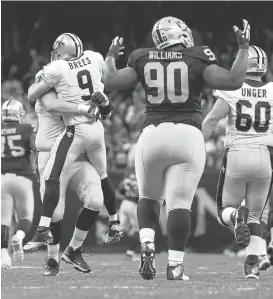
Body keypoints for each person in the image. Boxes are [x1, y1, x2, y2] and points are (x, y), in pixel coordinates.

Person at [103, 17, 251, 280]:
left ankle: (146, 244)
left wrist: (111, 55)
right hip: (187, 135)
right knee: (179, 204)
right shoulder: (198, 55)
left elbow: (110, 79)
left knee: (148, 198)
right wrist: (242, 48)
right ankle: (174, 266)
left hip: (152, 135)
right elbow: (233, 81)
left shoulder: (142, 56)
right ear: (180, 34)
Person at [27, 33, 124, 253]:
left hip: (75, 142)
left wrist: (86, 106)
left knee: (95, 198)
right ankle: (52, 259)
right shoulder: (92, 58)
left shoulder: (53, 71)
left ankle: (73, 250)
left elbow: (34, 94)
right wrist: (110, 55)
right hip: (58, 145)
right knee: (58, 212)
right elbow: (51, 103)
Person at [202, 45, 273, 279]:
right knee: (254, 216)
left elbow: (212, 118)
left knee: (226, 210)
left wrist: (196, 145)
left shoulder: (234, 88)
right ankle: (252, 265)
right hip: (265, 157)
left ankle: (235, 217)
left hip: (238, 153)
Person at [1, 99, 36, 269]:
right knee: (26, 217)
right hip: (22, 177)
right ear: (19, 113)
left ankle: (3, 256)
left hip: (2, 178)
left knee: (4, 220)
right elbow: (36, 148)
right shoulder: (27, 129)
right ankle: (20, 237)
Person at [119, 173, 139, 261]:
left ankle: (105, 234)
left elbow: (120, 190)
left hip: (124, 203)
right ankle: (130, 252)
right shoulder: (139, 180)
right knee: (137, 230)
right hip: (133, 204)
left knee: (122, 228)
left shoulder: (126, 180)